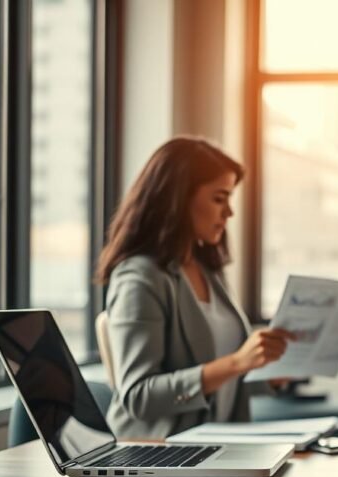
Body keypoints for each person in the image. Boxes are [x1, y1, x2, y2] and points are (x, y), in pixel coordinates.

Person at [96, 137, 293, 439]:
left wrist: (267, 375)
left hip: (220, 446)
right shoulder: (140, 278)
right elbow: (138, 395)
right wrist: (237, 362)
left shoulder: (208, 270)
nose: (229, 213)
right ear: (177, 198)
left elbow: (217, 377)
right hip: (161, 456)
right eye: (219, 198)